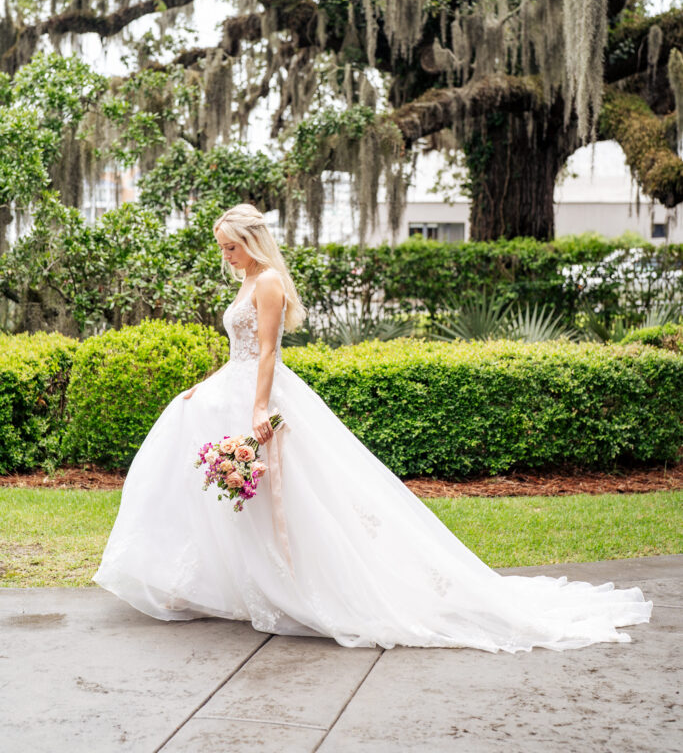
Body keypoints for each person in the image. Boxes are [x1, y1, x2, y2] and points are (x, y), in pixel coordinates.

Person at [93, 204, 653, 652]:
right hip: (232, 386)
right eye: (223, 247)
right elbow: (238, 351)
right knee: (219, 480)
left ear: (252, 242)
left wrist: (259, 411)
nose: (226, 255)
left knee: (284, 493)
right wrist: (206, 384)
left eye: (231, 246)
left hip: (261, 395)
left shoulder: (266, 283)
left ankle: (295, 583)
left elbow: (266, 353)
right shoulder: (247, 281)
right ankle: (244, 583)